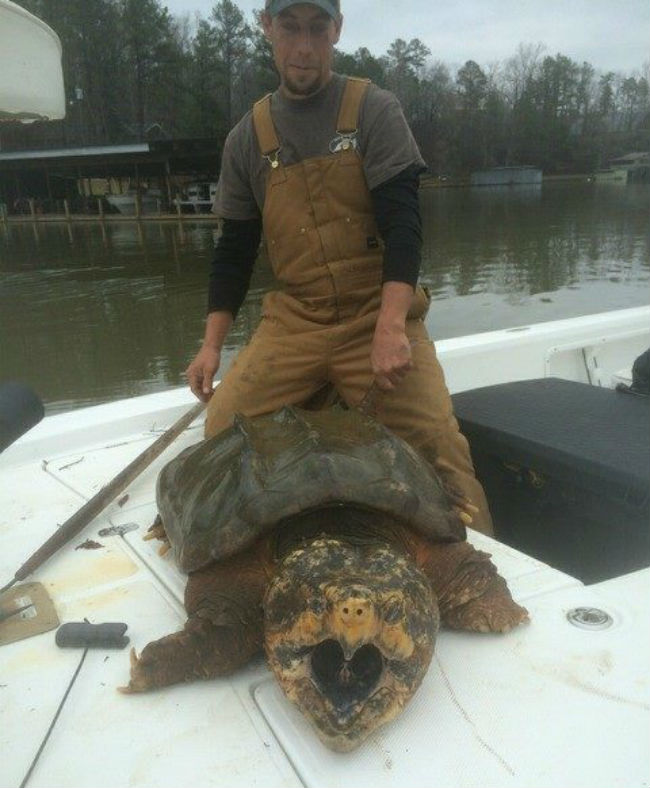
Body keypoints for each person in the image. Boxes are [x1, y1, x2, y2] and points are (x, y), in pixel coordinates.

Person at [185, 0, 493, 534]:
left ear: (337, 31)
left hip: (377, 313)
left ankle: (479, 565)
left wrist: (392, 327)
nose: (303, 46)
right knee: (220, 432)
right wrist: (212, 346)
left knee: (441, 446)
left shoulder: (374, 109)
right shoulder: (246, 138)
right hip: (296, 321)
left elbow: (404, 227)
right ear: (267, 29)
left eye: (317, 29)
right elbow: (234, 253)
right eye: (289, 28)